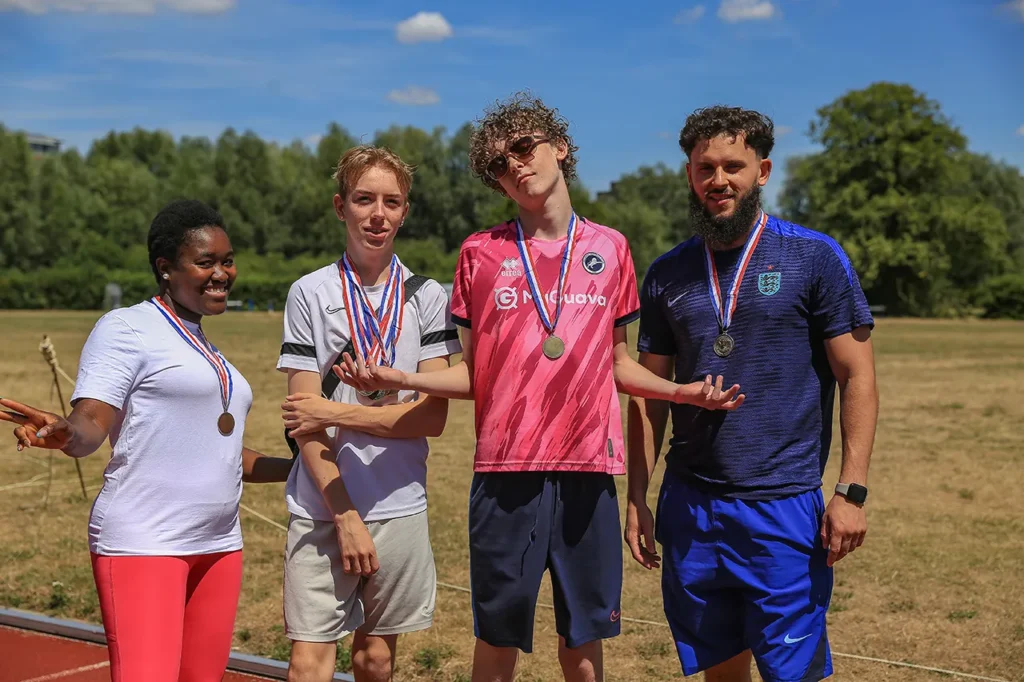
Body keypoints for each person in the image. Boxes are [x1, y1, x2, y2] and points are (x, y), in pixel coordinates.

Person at [333, 91, 744, 682]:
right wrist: (399, 377)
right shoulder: (481, 253)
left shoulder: (611, 248)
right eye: (501, 164)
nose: (517, 166)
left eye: (525, 148)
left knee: (582, 642)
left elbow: (618, 364)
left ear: (562, 149)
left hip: (589, 469)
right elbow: (475, 374)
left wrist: (682, 393)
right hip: (505, 470)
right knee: (497, 640)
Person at [624, 105, 879, 682]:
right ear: (689, 174)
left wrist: (851, 491)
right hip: (691, 505)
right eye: (704, 167)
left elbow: (857, 376)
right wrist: (638, 496)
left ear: (762, 171)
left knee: (793, 674)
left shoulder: (814, 256)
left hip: (782, 506)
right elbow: (648, 396)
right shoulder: (667, 272)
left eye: (733, 166)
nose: (719, 181)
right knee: (719, 669)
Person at [0, 199, 293, 682]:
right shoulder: (127, 328)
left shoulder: (204, 345)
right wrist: (68, 432)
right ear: (165, 268)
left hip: (219, 545)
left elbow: (220, 453)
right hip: (145, 543)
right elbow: (91, 420)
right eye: (205, 262)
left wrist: (294, 467)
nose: (222, 273)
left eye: (227, 260)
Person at [276, 144, 461, 682]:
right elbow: (301, 425)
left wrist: (336, 413)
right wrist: (345, 514)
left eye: (392, 202)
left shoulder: (426, 295)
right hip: (324, 505)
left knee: (376, 659)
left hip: (400, 504)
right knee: (309, 660)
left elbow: (432, 418)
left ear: (405, 211)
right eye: (364, 200)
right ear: (341, 207)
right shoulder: (309, 292)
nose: (377, 214)